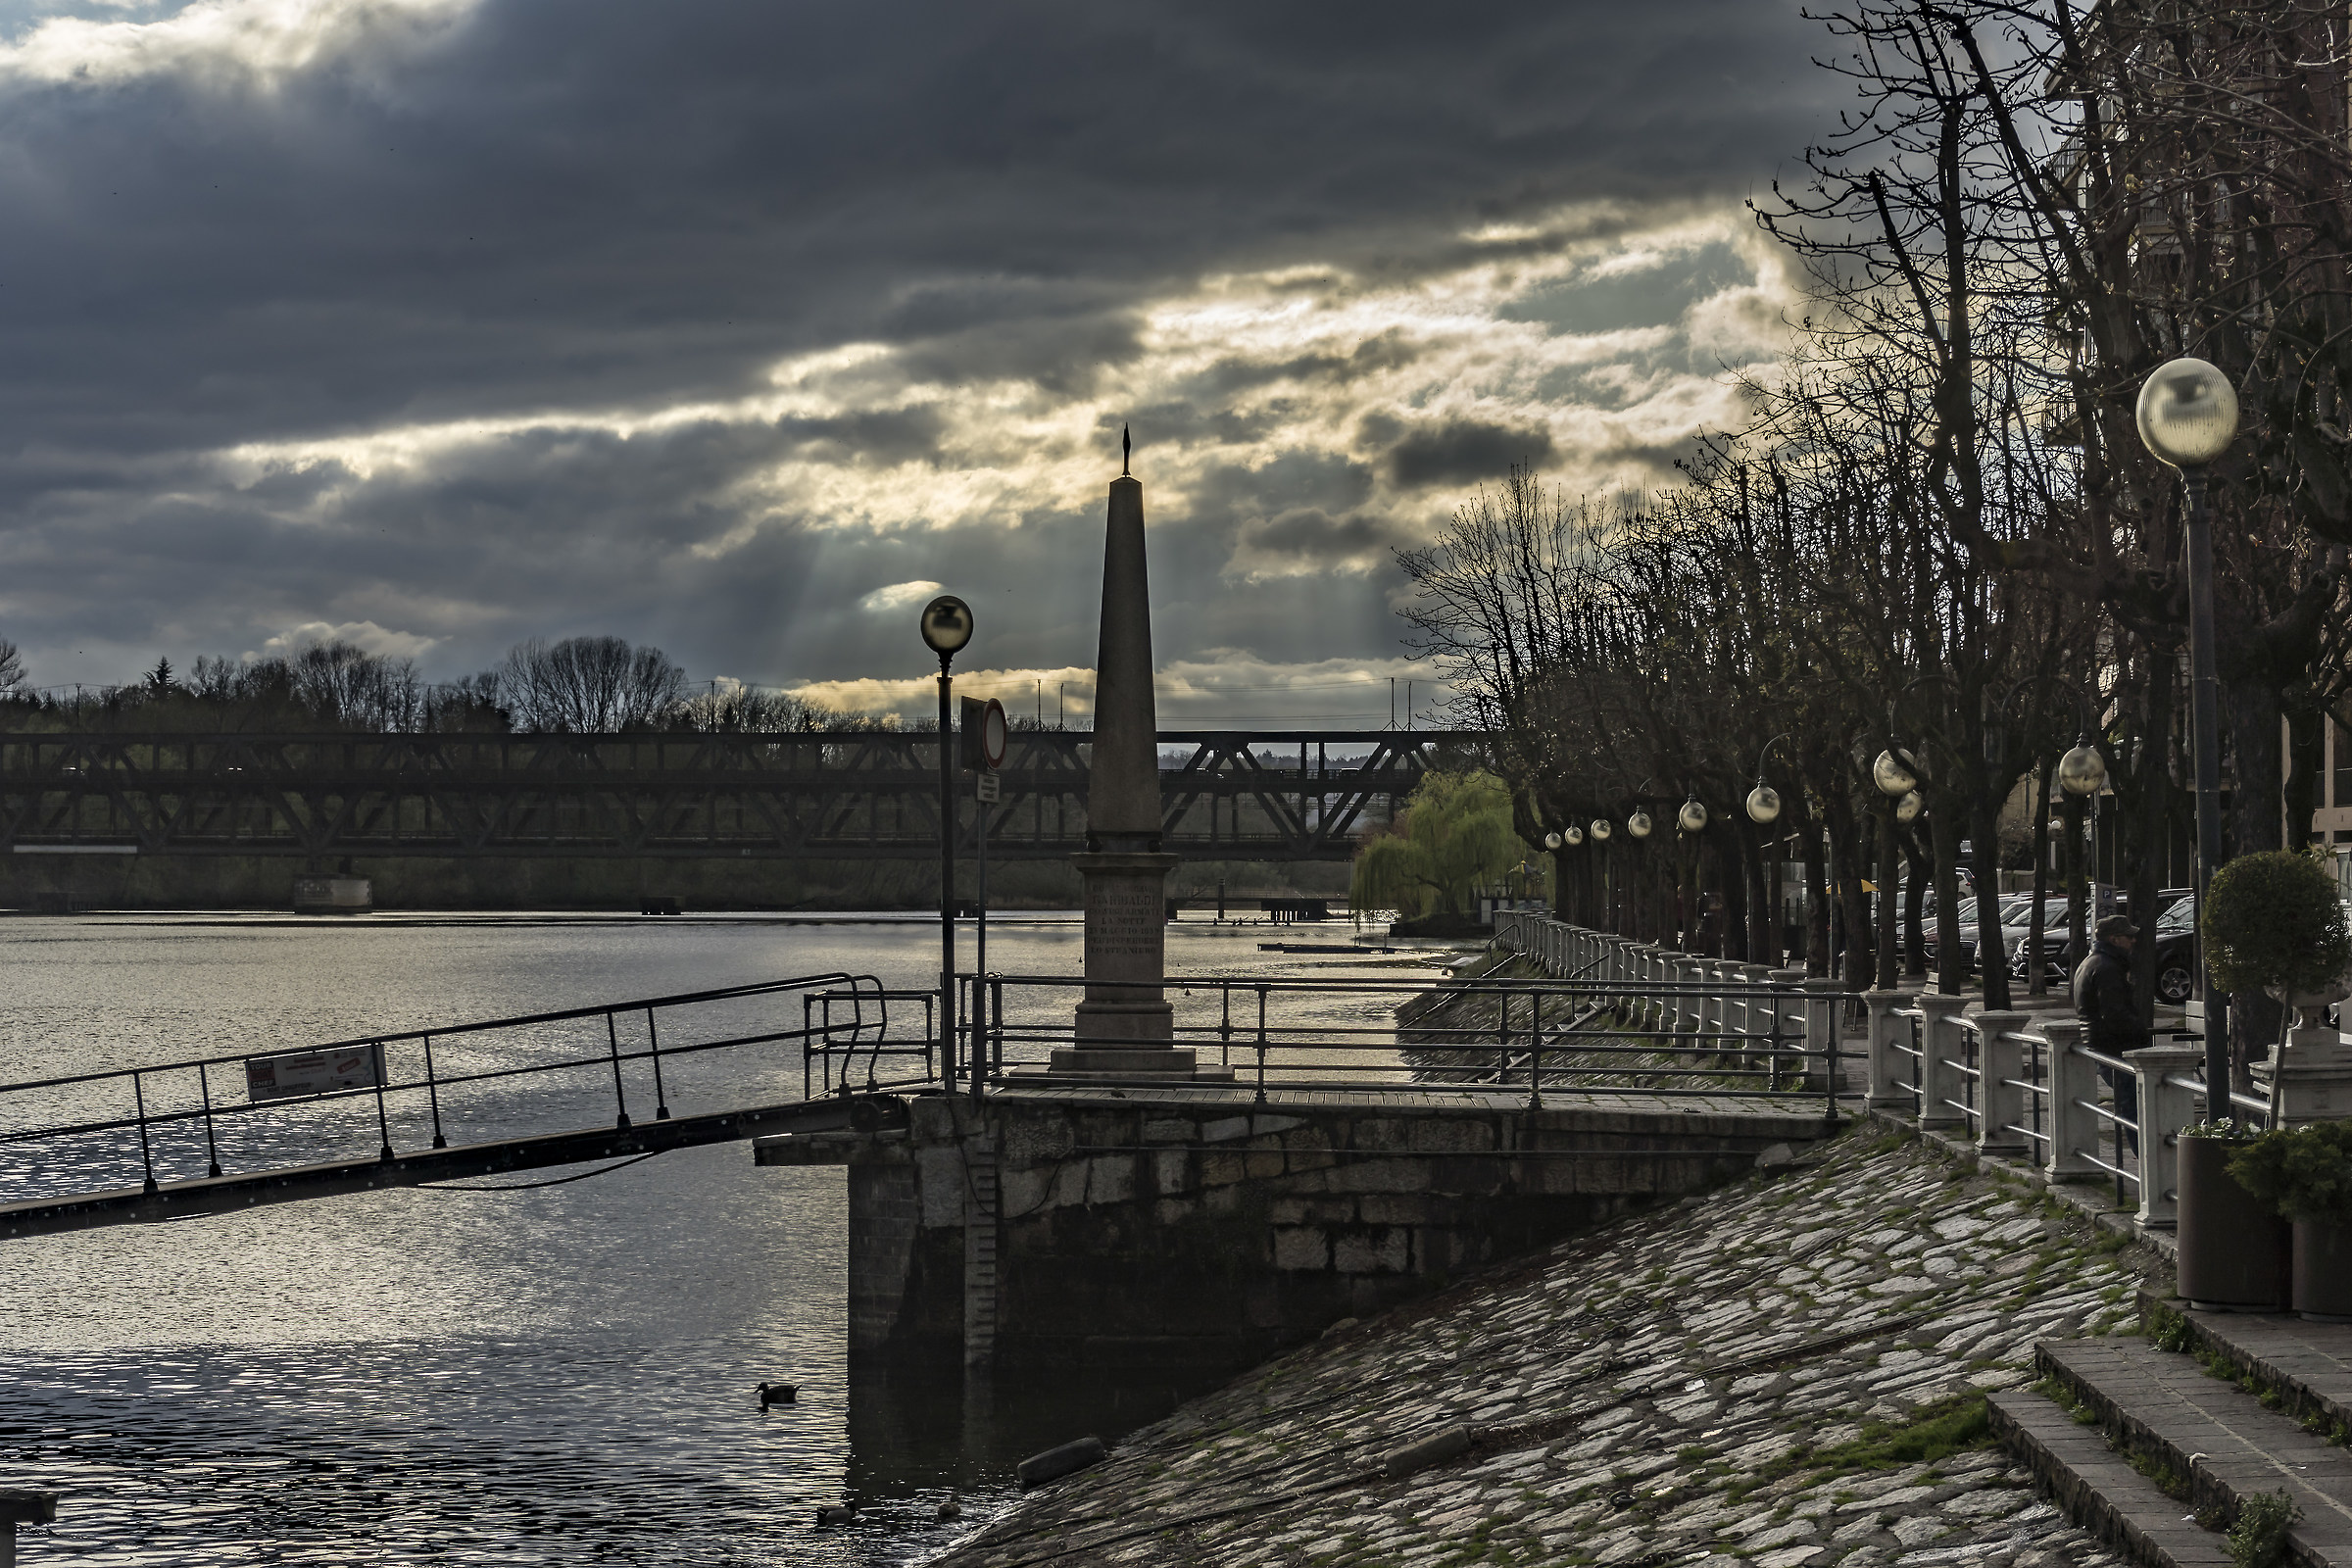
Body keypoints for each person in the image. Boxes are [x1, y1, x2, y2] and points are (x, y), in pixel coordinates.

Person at [2074, 913, 2152, 1152]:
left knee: (2130, 1105)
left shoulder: (2092, 962)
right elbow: (2114, 1014)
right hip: (2115, 1047)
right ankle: (2146, 1161)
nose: (2133, 941)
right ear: (2115, 939)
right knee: (2133, 1107)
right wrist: (2140, 1032)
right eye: (2129, 937)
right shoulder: (2107, 968)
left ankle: (2146, 1161)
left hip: (2102, 1044)